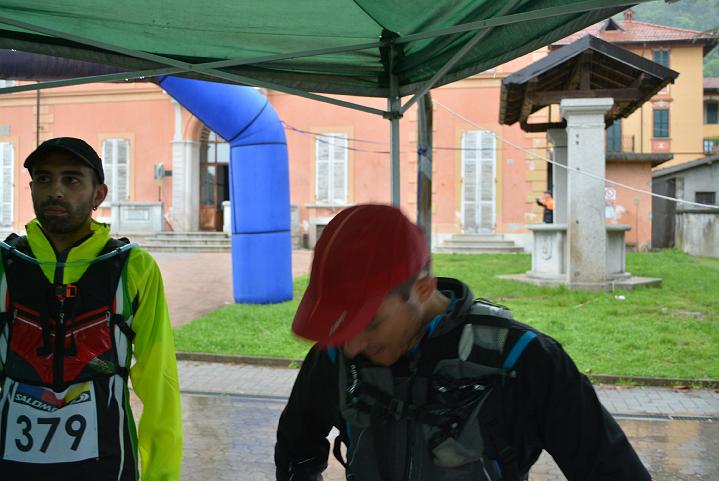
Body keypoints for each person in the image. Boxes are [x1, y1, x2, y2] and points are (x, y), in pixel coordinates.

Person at [275, 204, 652, 481]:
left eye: (371, 323)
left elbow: (613, 471)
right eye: (344, 326)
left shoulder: (522, 360)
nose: (352, 347)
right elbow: (296, 453)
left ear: (423, 289)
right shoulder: (333, 357)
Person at [0, 137, 182, 480]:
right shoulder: (6, 264)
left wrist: (162, 474)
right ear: (31, 188)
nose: (56, 191)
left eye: (71, 179)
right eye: (44, 178)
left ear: (99, 194)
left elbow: (160, 381)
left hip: (107, 465)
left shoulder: (133, 267)